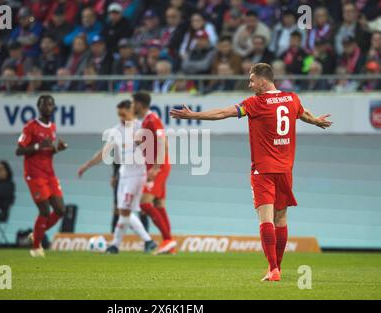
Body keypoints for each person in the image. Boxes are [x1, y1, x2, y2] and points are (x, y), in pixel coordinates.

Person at [170, 63, 332, 281]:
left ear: (263, 81)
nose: (250, 84)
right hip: (286, 169)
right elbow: (303, 114)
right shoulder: (291, 98)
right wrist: (316, 121)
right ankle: (277, 268)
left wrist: (194, 116)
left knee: (265, 218)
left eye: (252, 80)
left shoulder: (256, 103)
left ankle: (273, 268)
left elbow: (223, 113)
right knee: (281, 218)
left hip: (263, 170)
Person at [77, 100, 157, 254]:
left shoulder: (141, 127)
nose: (121, 117)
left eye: (123, 113)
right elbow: (104, 152)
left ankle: (119, 244)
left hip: (137, 174)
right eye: (119, 114)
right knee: (124, 211)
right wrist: (87, 165)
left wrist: (154, 168)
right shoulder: (116, 130)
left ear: (131, 110)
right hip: (123, 175)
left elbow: (154, 148)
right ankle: (144, 241)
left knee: (125, 210)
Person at [15, 95, 68, 258]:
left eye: (51, 104)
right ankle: (36, 247)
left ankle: (36, 234)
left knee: (60, 210)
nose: (48, 107)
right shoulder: (30, 127)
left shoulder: (52, 127)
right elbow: (19, 150)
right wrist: (38, 145)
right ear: (38, 107)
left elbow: (48, 150)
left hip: (49, 174)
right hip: (34, 174)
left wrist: (58, 148)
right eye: (45, 104)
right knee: (44, 211)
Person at [132, 92, 176, 255]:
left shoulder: (152, 119)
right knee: (158, 204)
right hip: (156, 166)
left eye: (133, 103)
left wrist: (156, 167)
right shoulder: (145, 121)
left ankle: (167, 239)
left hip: (159, 167)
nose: (132, 106)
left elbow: (162, 142)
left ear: (140, 104)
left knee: (144, 203)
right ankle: (169, 244)